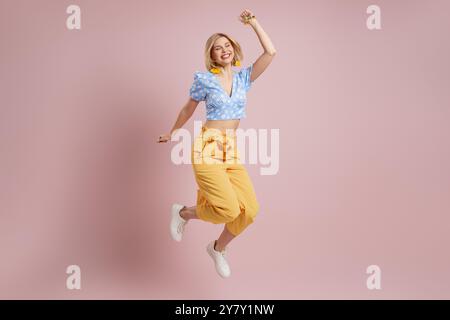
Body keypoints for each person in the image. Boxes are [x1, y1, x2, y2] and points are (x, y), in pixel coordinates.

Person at [157, 9, 276, 278]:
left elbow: (270, 52)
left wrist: (253, 23)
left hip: (230, 149)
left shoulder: (244, 78)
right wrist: (173, 131)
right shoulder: (205, 79)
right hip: (208, 146)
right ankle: (184, 213)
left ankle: (217, 248)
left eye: (227, 45)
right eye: (217, 47)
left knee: (250, 211)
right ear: (211, 55)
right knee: (228, 209)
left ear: (234, 50)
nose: (223, 50)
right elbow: (188, 108)